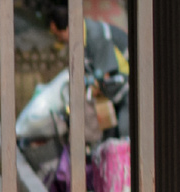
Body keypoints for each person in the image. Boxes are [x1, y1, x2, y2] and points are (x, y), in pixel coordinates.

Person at [49, 6, 130, 138]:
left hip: (128, 86)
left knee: (124, 134)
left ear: (67, 30)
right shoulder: (83, 35)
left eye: (58, 36)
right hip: (114, 90)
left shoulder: (95, 35)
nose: (59, 40)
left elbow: (105, 75)